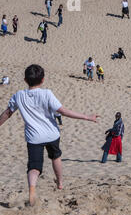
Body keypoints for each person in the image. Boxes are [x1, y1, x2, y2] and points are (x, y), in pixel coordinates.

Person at [0, 64, 98, 206]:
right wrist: (87, 117)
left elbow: (7, 114)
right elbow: (63, 111)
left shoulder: (18, 96)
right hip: (52, 134)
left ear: (25, 80)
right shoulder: (47, 94)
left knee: (34, 166)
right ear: (43, 80)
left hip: (34, 137)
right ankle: (60, 182)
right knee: (55, 156)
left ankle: (32, 189)